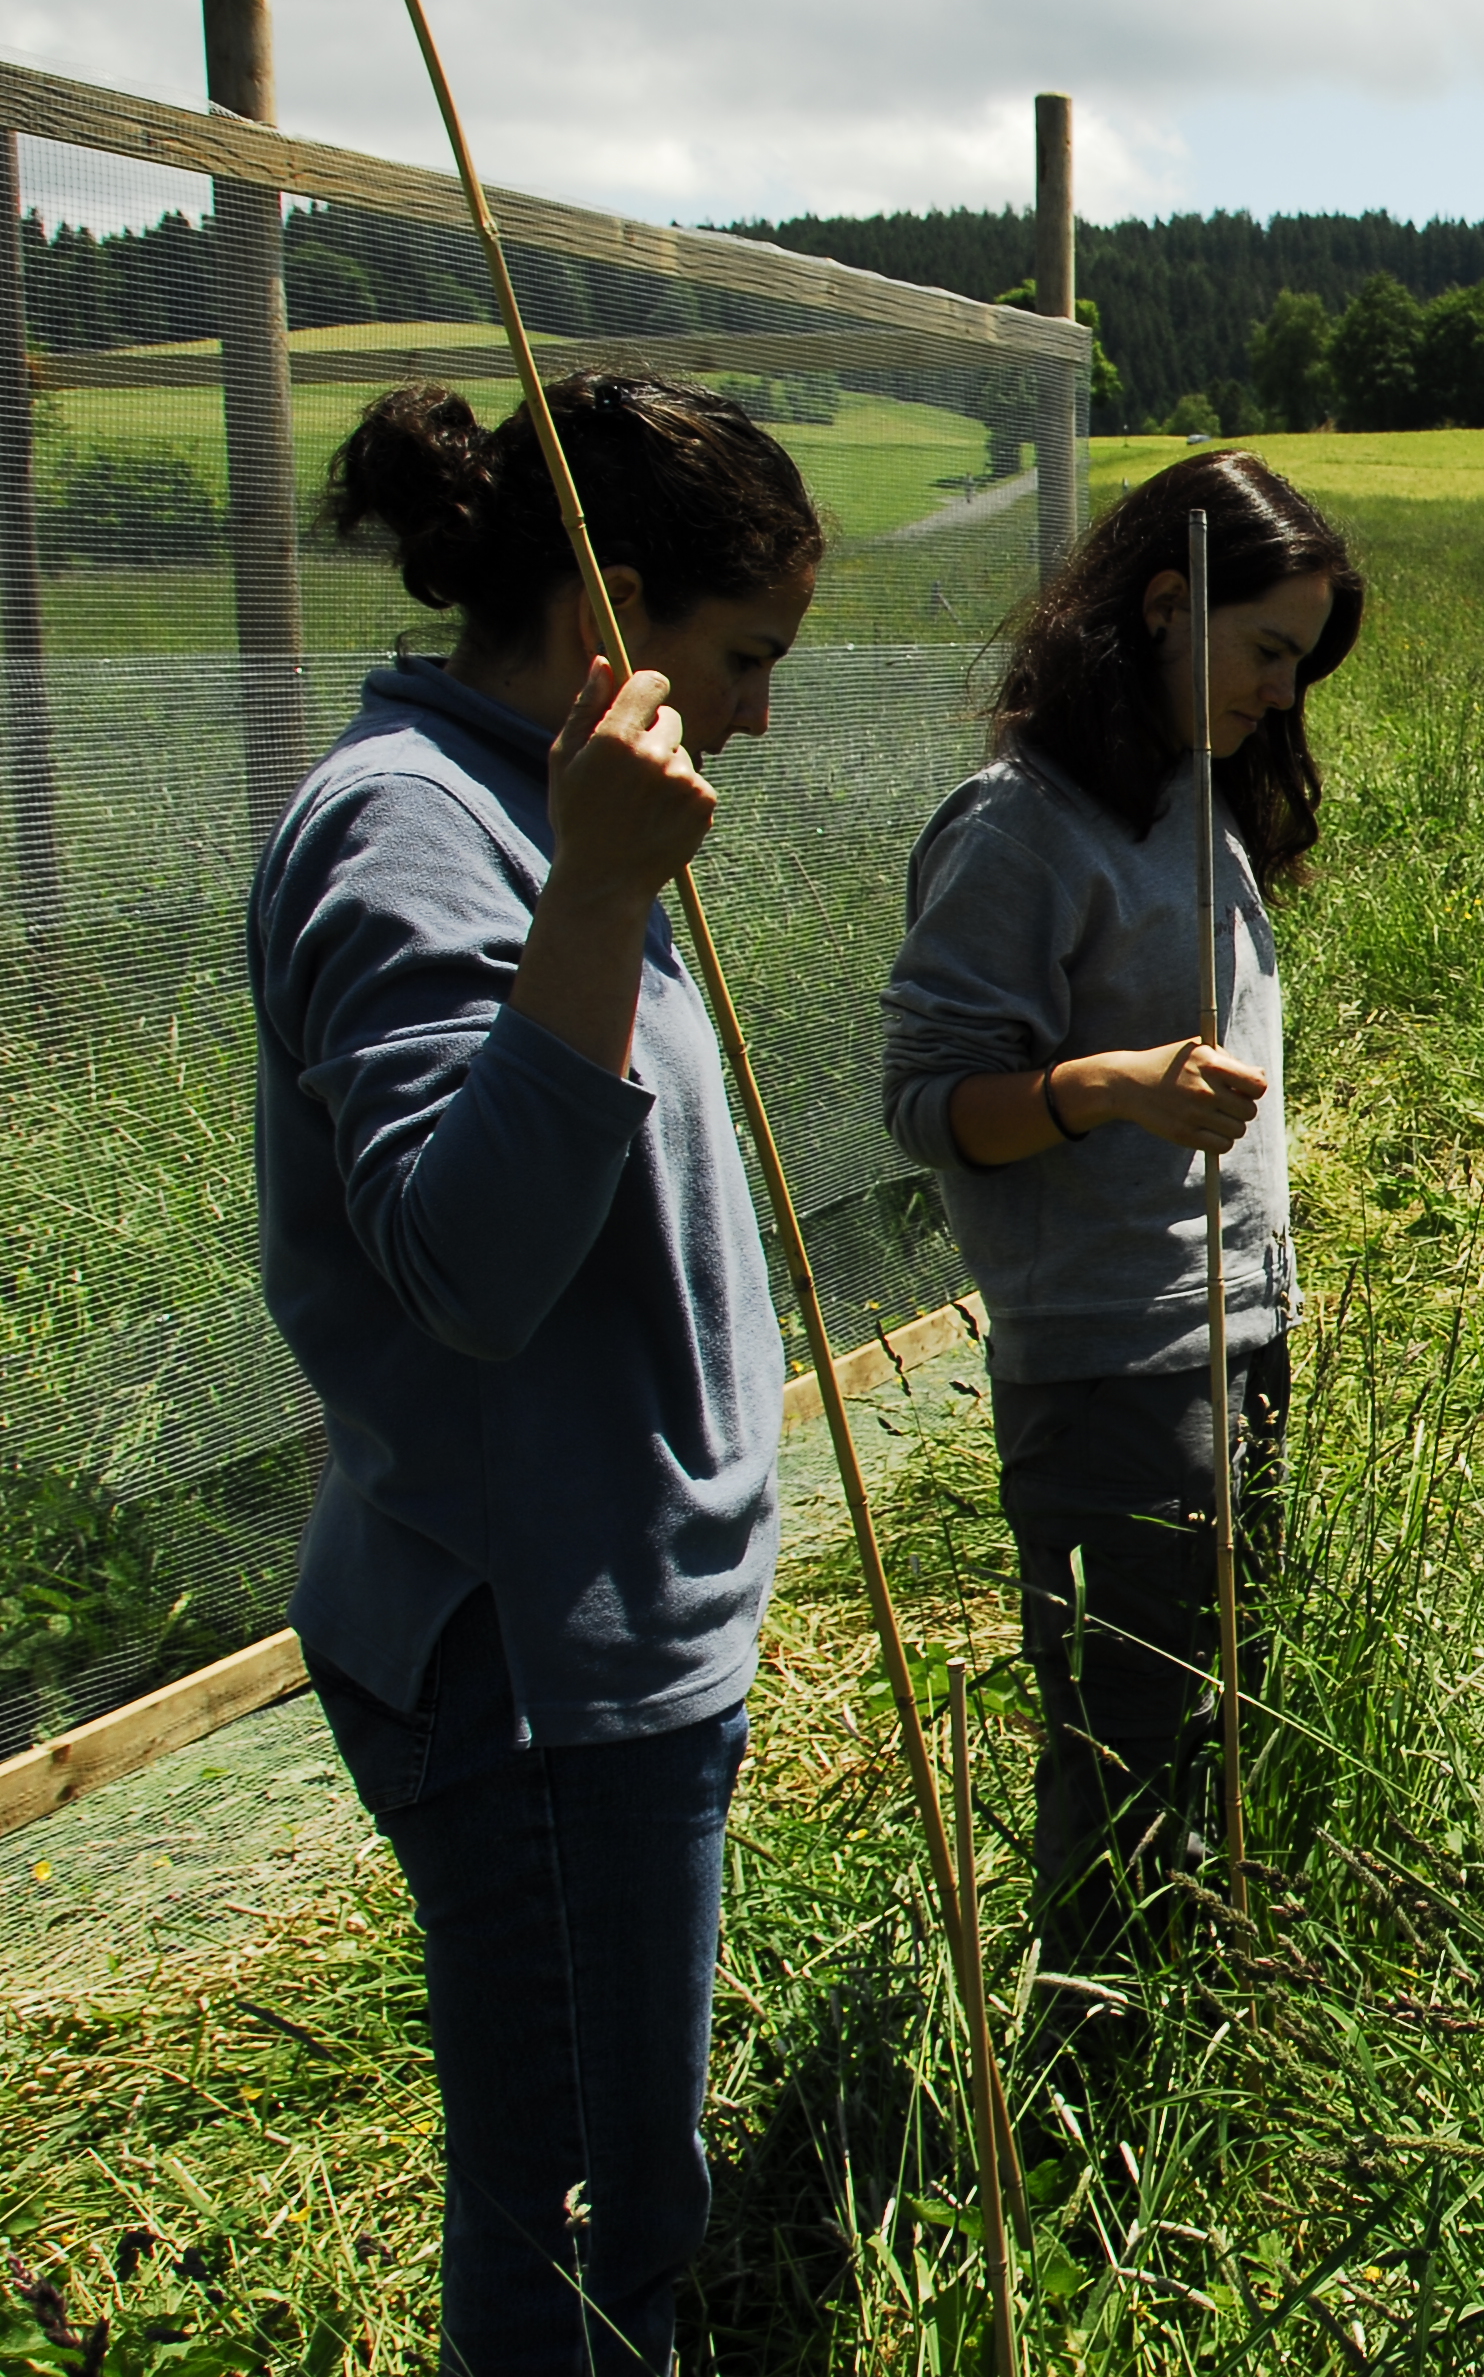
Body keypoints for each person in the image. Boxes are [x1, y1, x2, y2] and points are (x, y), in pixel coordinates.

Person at [253, 373, 823, 2375]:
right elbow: (465, 1269)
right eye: (743, 656)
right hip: (532, 1658)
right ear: (612, 600)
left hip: (608, 1624)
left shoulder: (537, 793)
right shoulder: (415, 832)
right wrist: (593, 888)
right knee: (587, 2211)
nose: (758, 710)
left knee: (612, 2167)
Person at [882, 449, 1361, 1995]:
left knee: (1227, 1694)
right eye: (1267, 651)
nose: (1283, 697)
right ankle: (1107, 2038)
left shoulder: (1192, 800)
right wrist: (1104, 1087)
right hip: (1109, 1353)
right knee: (1131, 1720)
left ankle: (1207, 1997)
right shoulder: (1021, 826)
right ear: (1166, 603)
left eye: (1301, 666)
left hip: (1238, 1322)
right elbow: (929, 1098)